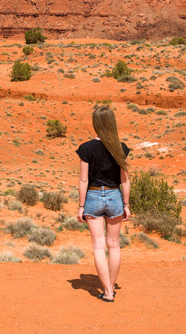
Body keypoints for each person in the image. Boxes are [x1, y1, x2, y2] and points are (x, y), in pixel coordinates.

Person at [76, 105, 131, 303]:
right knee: (114, 245)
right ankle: (111, 289)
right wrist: (126, 204)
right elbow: (125, 180)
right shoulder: (121, 147)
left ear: (96, 124)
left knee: (99, 246)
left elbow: (83, 180)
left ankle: (107, 291)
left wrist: (81, 206)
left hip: (92, 197)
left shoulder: (86, 148)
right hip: (115, 196)